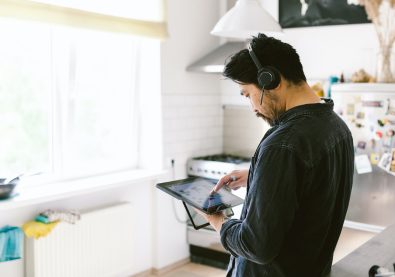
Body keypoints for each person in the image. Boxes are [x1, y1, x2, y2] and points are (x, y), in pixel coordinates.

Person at [193, 33, 354, 277]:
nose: (253, 107)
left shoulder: (282, 145)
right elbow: (314, 183)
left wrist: (216, 219)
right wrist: (260, 173)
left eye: (248, 94)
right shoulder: (337, 127)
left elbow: (256, 247)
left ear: (271, 79)